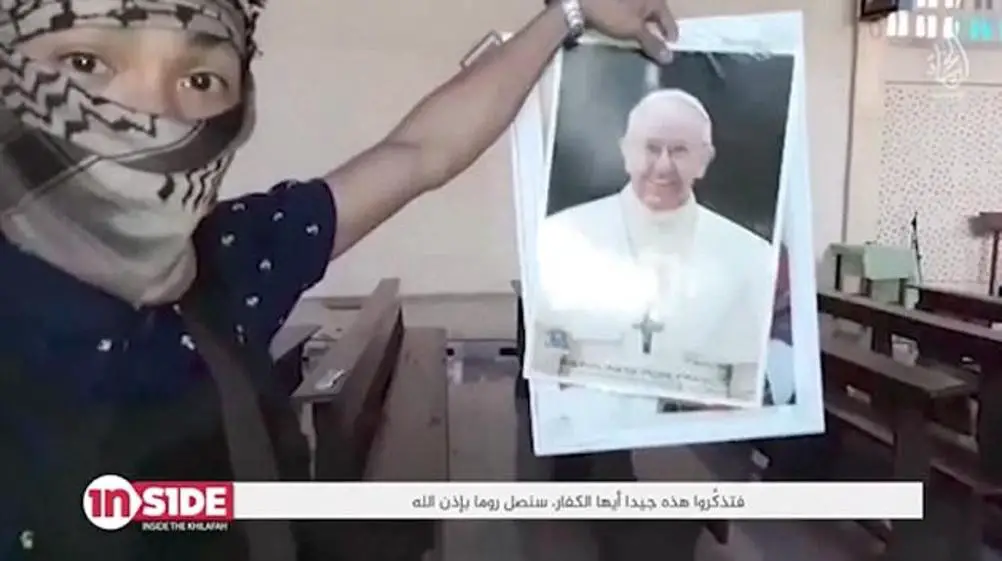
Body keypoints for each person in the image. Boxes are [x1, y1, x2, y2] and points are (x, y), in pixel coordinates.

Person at [0, 0, 677, 560]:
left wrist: (569, 14)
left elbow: (421, 153)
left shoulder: (232, 259)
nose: (155, 113)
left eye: (200, 79)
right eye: (85, 63)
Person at [531, 88, 777, 406]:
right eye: (651, 148)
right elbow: (542, 376)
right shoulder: (562, 236)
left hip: (698, 432)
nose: (663, 166)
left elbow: (746, 385)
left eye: (679, 151)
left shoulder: (750, 255)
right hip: (587, 427)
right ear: (626, 152)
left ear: (704, 160)